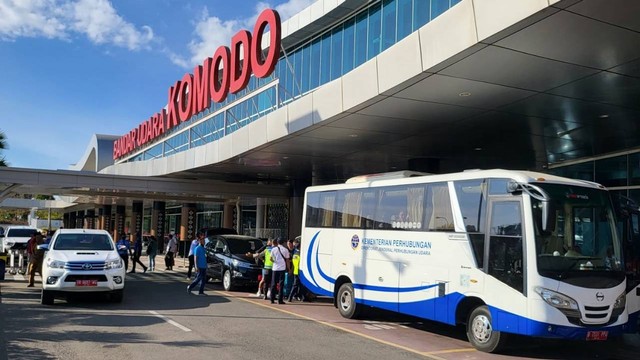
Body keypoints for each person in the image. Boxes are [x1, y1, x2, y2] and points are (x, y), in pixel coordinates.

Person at [269, 238, 290, 304]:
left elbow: (270, 258)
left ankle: (272, 299)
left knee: (273, 284)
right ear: (283, 242)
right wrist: (288, 268)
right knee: (281, 284)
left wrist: (275, 262)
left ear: (277, 242)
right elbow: (287, 260)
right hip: (282, 269)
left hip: (275, 268)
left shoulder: (273, 249)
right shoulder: (286, 250)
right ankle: (280, 300)